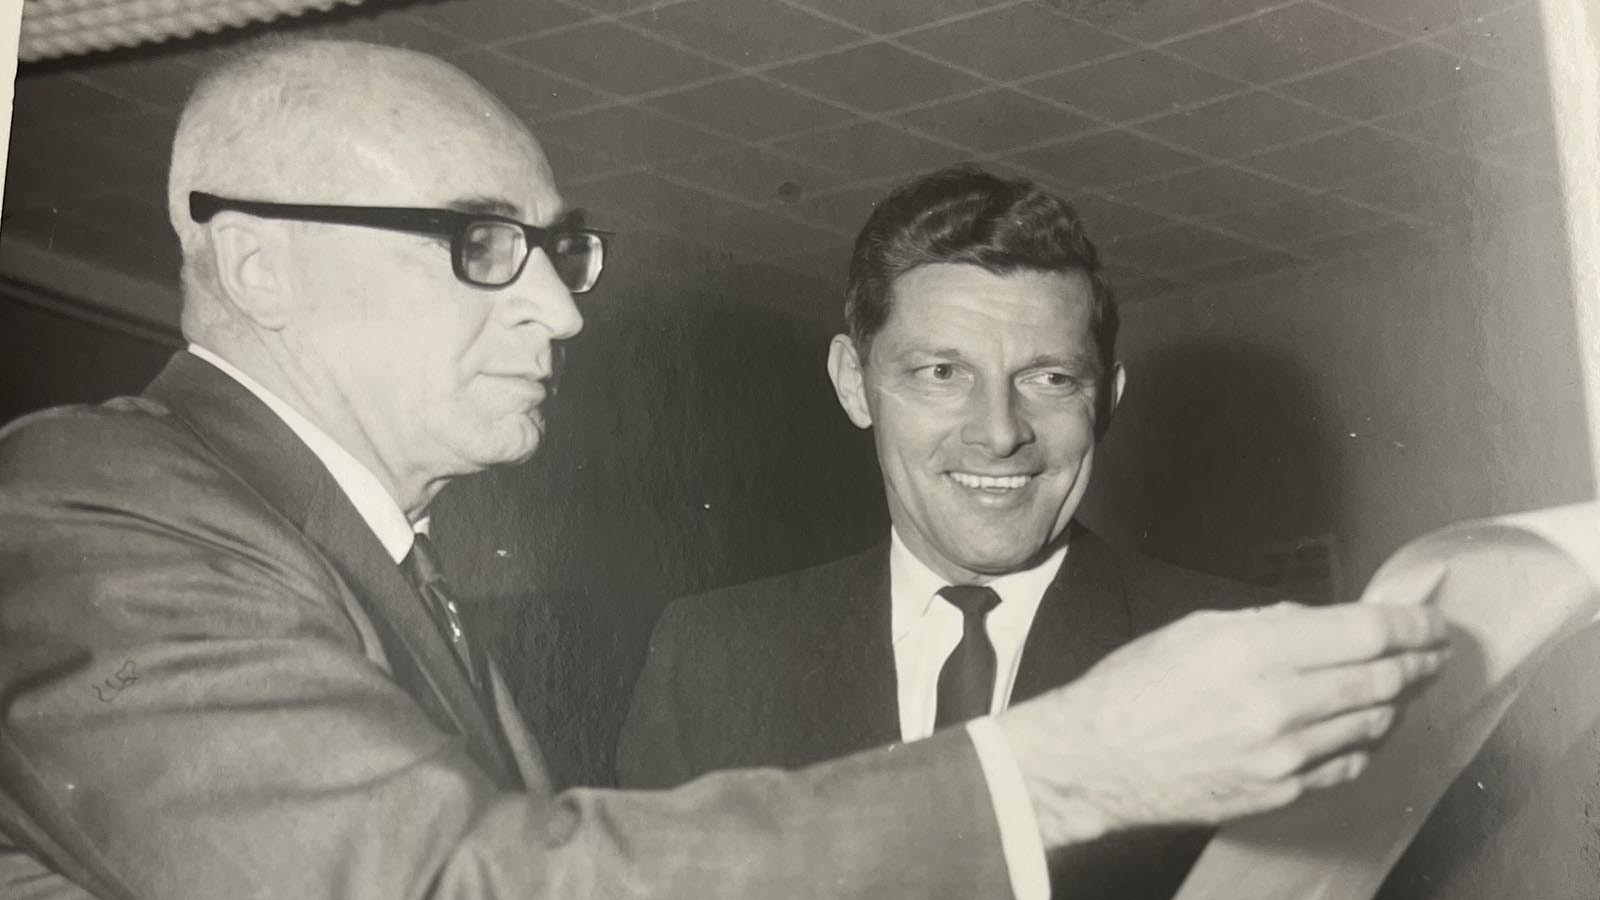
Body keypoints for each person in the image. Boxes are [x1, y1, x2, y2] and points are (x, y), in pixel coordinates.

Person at [0, 39, 1448, 900]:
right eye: (482, 244)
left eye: (562, 252)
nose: (564, 309)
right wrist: (1062, 770)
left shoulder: (374, 565)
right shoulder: (87, 513)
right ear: (256, 260)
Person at [614, 165, 1291, 896]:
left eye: (1051, 379)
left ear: (1107, 401)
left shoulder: (1238, 656)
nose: (999, 434)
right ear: (854, 383)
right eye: (942, 372)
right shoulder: (713, 662)